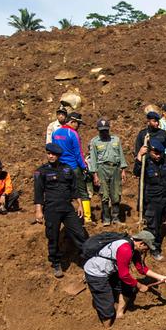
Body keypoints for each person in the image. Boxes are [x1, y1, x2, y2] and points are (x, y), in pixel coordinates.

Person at [82, 230, 166, 324]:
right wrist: (140, 286)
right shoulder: (125, 249)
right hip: (96, 273)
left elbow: (141, 269)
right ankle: (107, 328)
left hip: (111, 270)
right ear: (141, 243)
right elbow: (124, 275)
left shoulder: (134, 248)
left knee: (127, 288)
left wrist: (160, 277)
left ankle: (119, 314)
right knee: (107, 306)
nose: (146, 251)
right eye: (147, 248)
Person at [33, 142, 88, 278]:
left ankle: (88, 259)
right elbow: (38, 193)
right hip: (51, 208)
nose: (50, 156)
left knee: (79, 233)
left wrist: (79, 204)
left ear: (58, 155)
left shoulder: (67, 169)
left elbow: (74, 189)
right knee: (53, 236)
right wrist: (38, 211)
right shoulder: (41, 171)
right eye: (49, 153)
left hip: (67, 208)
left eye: (53, 154)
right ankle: (56, 263)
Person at [89, 119, 128, 225]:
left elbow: (121, 155)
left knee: (116, 194)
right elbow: (93, 159)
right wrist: (95, 175)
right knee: (104, 194)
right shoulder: (94, 142)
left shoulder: (116, 140)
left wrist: (123, 170)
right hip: (102, 169)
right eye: (102, 131)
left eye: (106, 130)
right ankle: (106, 218)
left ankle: (115, 217)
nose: (104, 133)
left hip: (115, 168)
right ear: (98, 130)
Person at [51, 112, 90, 218]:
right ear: (72, 122)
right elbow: (78, 153)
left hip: (60, 168)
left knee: (64, 192)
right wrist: (84, 167)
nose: (78, 126)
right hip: (73, 167)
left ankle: (67, 216)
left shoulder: (55, 133)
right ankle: (87, 217)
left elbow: (53, 151)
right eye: (78, 124)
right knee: (82, 191)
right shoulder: (72, 134)